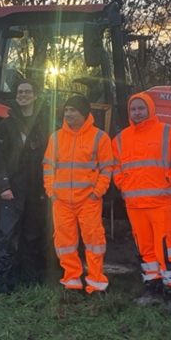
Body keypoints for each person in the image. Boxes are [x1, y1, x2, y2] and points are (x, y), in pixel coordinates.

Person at [111, 92, 171, 310]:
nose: (137, 112)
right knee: (145, 248)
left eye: (141, 108)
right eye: (133, 109)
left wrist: (170, 178)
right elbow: (116, 168)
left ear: (150, 109)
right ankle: (152, 287)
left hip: (163, 203)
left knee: (168, 248)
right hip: (135, 205)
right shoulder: (121, 139)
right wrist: (123, 183)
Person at [42, 95, 114, 296]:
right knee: (65, 243)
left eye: (73, 110)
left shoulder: (100, 137)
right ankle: (72, 280)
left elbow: (107, 168)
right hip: (61, 201)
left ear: (84, 113)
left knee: (94, 242)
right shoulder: (55, 137)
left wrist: (96, 193)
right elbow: (48, 166)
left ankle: (96, 283)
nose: (69, 114)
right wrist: (51, 192)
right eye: (66, 110)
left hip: (88, 201)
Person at [0, 78, 50, 294]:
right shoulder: (6, 125)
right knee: (8, 236)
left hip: (37, 189)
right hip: (12, 190)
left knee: (33, 235)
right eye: (19, 92)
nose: (23, 95)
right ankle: (4, 284)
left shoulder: (45, 123)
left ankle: (31, 279)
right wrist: (4, 185)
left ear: (35, 96)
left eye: (27, 91)